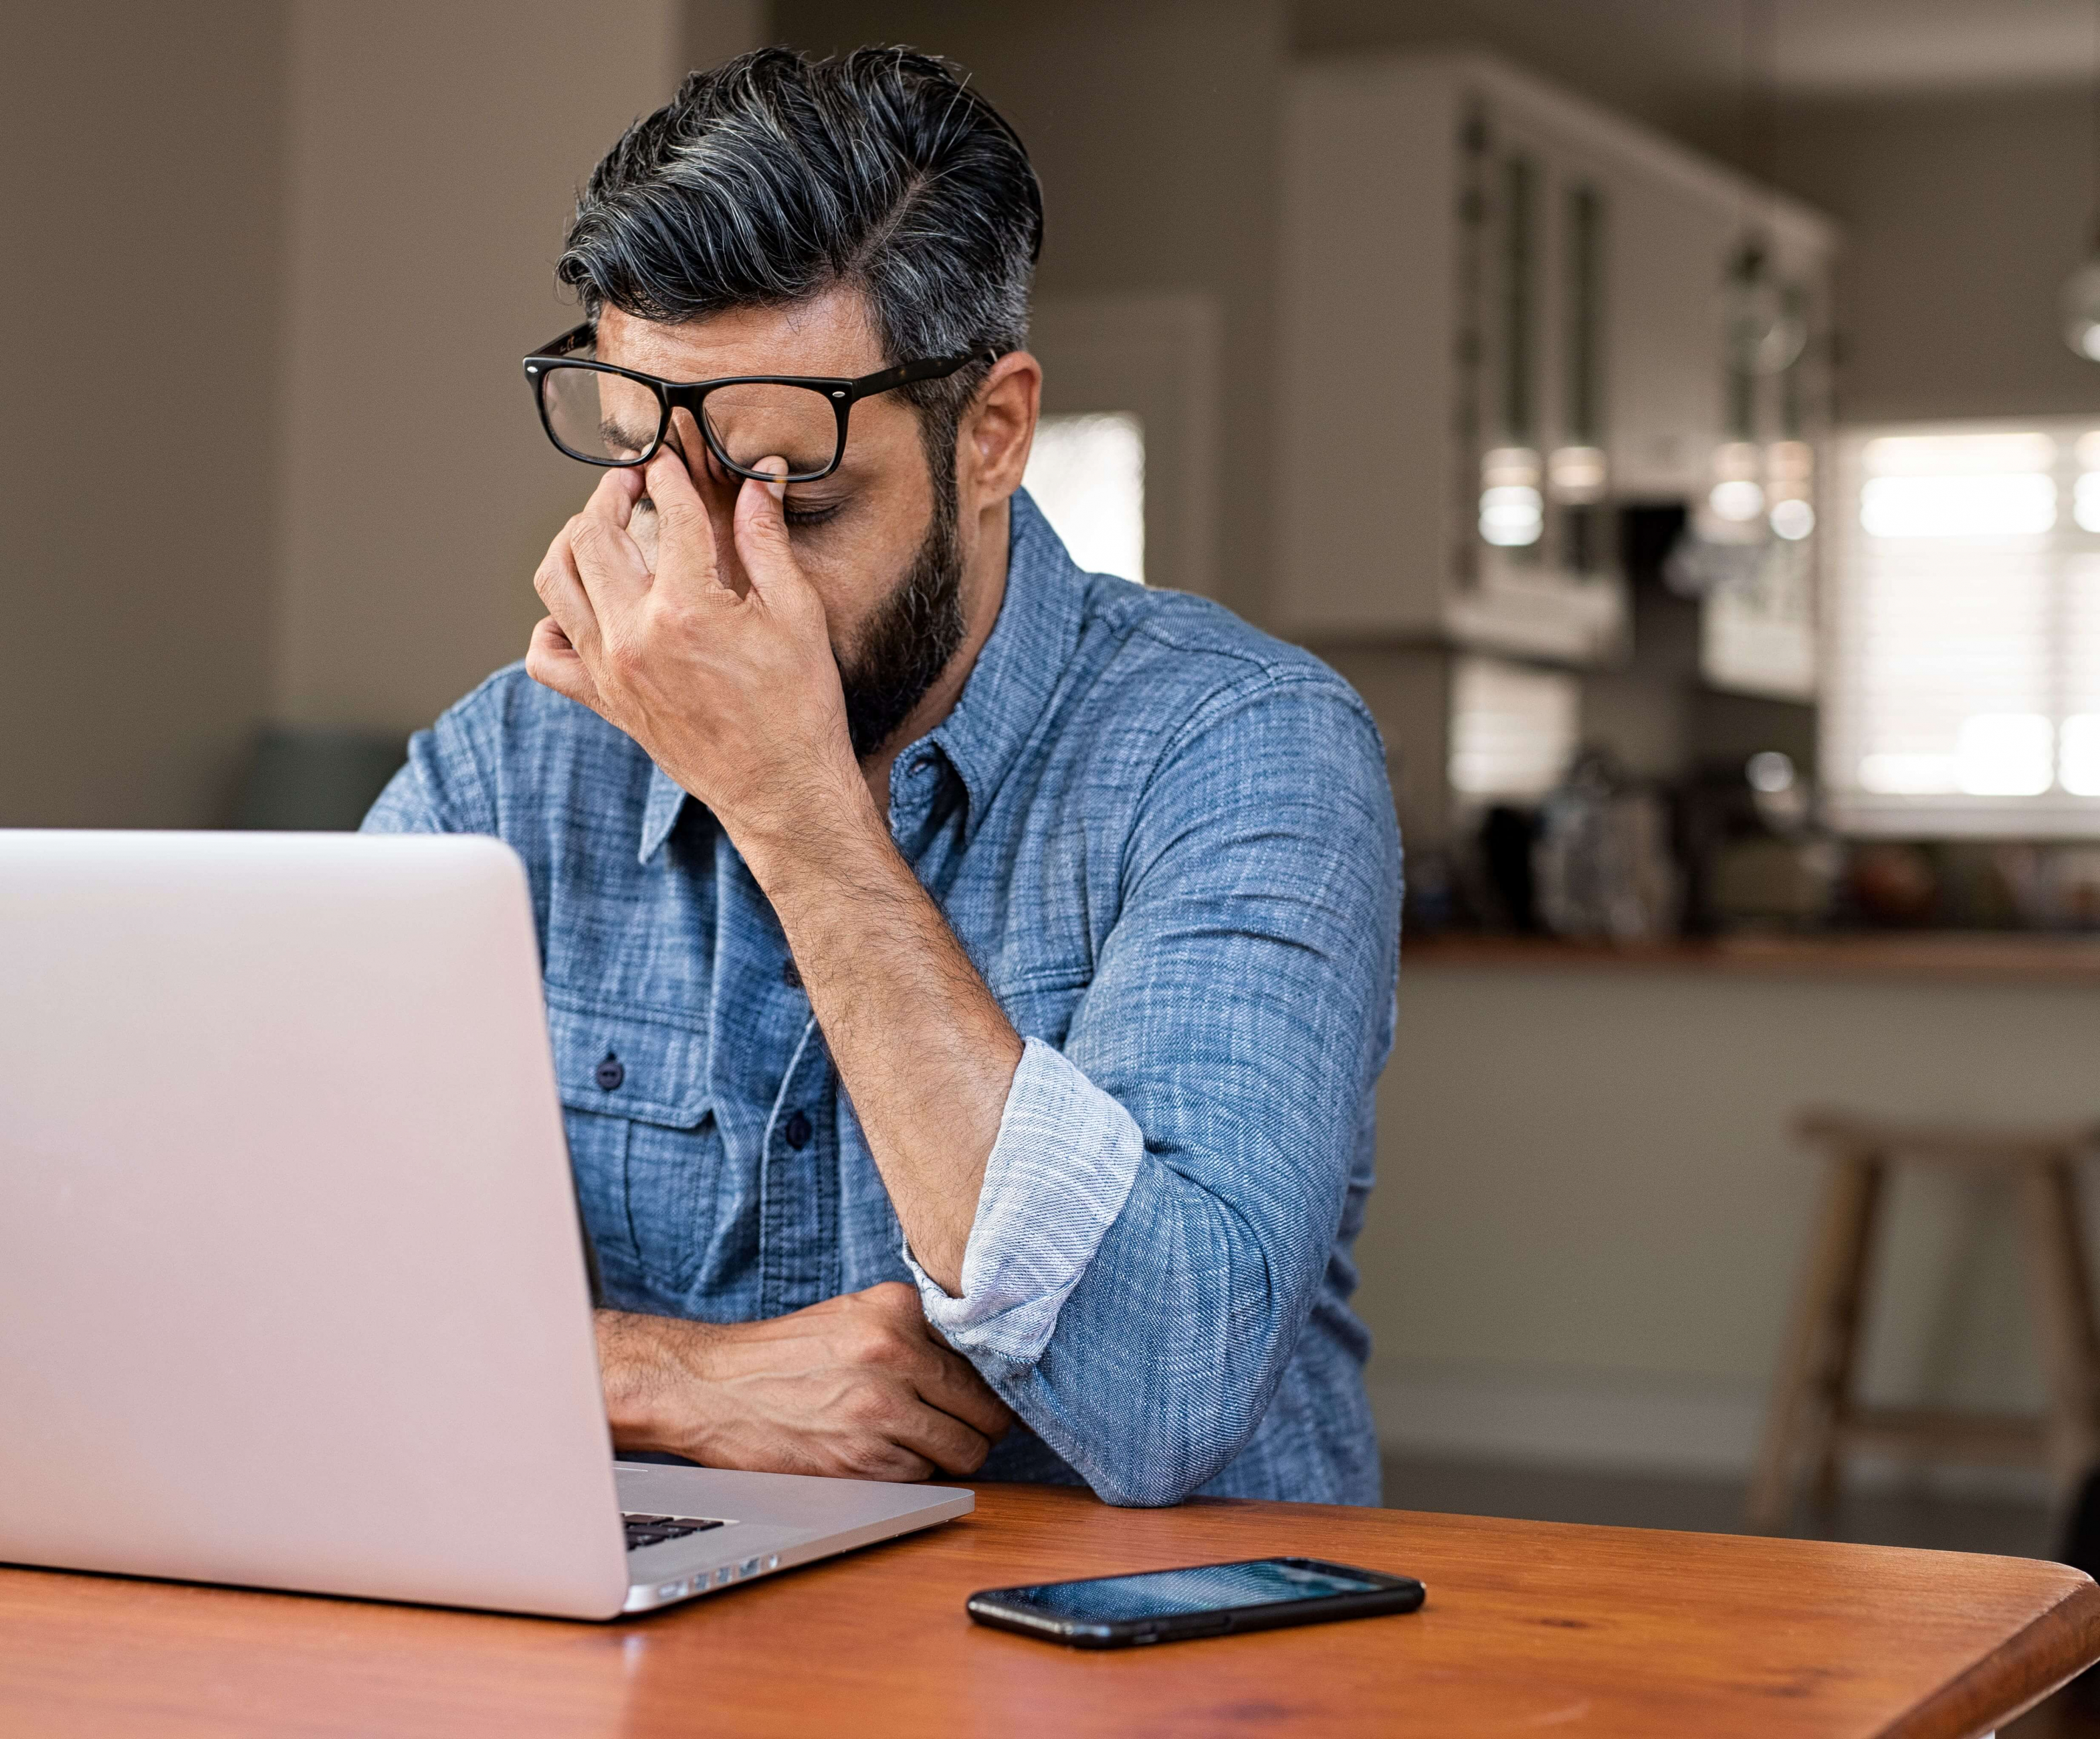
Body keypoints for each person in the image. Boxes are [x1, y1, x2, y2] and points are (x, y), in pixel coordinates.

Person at [364, 45, 1400, 1506]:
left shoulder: (1241, 750)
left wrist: (791, 804)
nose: (701, 573)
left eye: (793, 493)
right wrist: (669, 1381)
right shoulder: (505, 768)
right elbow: (276, 1286)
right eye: (639, 470)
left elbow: (1165, 1381)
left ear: (993, 435)